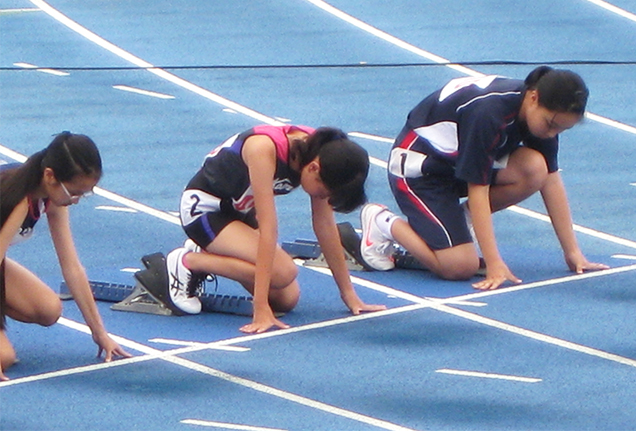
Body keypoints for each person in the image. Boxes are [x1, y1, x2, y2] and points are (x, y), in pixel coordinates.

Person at [359, 66, 608, 290]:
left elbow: (551, 179)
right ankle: (382, 222)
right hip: (419, 173)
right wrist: (494, 262)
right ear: (534, 98)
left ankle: (458, 223)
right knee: (459, 267)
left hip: (454, 166)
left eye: (562, 129)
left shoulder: (538, 117)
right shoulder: (489, 113)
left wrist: (573, 252)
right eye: (551, 124)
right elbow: (478, 187)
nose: (552, 133)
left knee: (535, 168)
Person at [154, 125, 386, 334]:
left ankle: (216, 250)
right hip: (205, 212)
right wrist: (260, 307)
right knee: (284, 272)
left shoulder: (324, 154)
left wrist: (349, 295)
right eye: (322, 193)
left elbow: (324, 225)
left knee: (287, 299)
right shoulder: (263, 149)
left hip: (239, 215)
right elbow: (269, 228)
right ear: (314, 168)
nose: (321, 198)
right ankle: (188, 262)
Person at [0, 132, 131, 381]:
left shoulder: (50, 197)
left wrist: (99, 333)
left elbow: (71, 266)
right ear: (50, 175)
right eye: (73, 192)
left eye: (85, 193)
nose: (77, 200)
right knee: (4, 358)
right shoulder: (18, 200)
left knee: (49, 309)